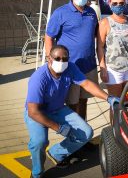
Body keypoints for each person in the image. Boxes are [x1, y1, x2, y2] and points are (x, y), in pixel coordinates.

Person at [24, 45, 119, 178]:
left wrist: (108, 98)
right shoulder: (39, 78)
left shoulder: (71, 68)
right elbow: (33, 111)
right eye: (57, 58)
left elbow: (86, 84)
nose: (61, 62)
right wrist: (58, 127)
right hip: (38, 113)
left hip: (57, 109)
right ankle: (37, 173)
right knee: (39, 142)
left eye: (65, 59)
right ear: (49, 59)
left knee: (86, 132)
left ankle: (56, 153)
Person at [45, 0, 99, 122]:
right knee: (71, 103)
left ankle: (83, 134)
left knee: (84, 101)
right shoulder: (60, 13)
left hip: (89, 66)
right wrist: (50, 60)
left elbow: (94, 35)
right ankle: (74, 135)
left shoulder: (91, 12)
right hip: (70, 67)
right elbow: (49, 37)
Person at [97, 0, 128, 97]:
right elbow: (100, 47)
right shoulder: (105, 23)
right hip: (113, 69)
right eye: (115, 3)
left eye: (121, 3)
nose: (118, 6)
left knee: (127, 101)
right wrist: (102, 68)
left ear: (125, 3)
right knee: (115, 103)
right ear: (110, 3)